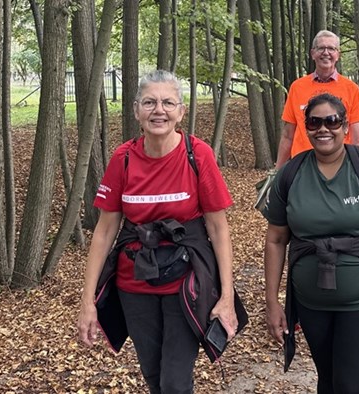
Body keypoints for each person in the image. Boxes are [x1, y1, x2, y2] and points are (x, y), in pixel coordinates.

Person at [77, 70, 239, 394]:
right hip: (134, 283)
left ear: (181, 111)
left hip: (186, 284)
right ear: (136, 110)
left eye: (168, 102)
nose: (158, 110)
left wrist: (227, 297)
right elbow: (105, 231)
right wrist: (87, 300)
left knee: (175, 383)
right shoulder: (123, 159)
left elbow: (218, 229)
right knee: (153, 376)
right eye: (149, 102)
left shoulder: (198, 155)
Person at [264, 93, 359, 393]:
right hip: (311, 304)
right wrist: (271, 303)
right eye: (315, 122)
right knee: (328, 381)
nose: (323, 128)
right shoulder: (291, 174)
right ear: (306, 128)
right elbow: (276, 239)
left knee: (351, 385)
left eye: (332, 121)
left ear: (345, 126)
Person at [275, 30, 359, 168]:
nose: (326, 52)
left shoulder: (351, 89)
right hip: (303, 165)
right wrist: (277, 171)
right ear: (313, 53)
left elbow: (358, 137)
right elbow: (288, 135)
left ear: (338, 55)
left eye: (331, 48)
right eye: (321, 48)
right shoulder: (297, 87)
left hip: (340, 165)